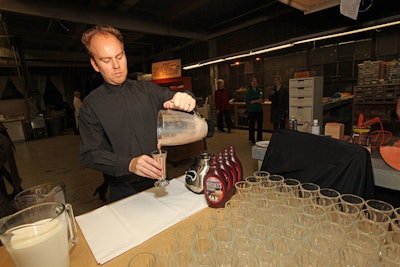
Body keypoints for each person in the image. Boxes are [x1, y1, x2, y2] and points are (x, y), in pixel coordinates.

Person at [79, 25, 196, 202]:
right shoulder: (90, 106)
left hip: (160, 179)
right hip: (123, 189)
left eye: (120, 56)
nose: (117, 65)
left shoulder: (147, 90)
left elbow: (177, 97)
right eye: (106, 60)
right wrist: (129, 164)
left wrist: (187, 97)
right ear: (95, 64)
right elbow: (89, 154)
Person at [245, 78, 263, 144]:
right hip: (252, 111)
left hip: (259, 110)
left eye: (256, 82)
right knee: (252, 125)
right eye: (253, 82)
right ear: (251, 83)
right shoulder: (249, 92)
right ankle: (252, 138)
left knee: (260, 125)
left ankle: (259, 138)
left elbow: (261, 98)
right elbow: (248, 101)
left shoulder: (260, 90)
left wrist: (260, 101)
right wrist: (256, 101)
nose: (255, 83)